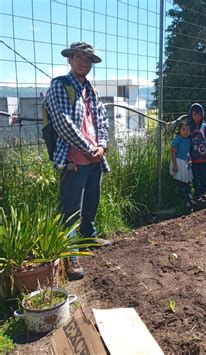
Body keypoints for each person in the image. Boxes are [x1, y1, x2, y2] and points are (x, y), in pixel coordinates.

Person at [44, 41, 110, 280]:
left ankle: (88, 239)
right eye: (80, 57)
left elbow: (102, 120)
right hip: (73, 158)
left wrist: (101, 145)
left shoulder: (91, 90)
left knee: (92, 200)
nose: (84, 62)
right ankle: (70, 255)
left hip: (94, 159)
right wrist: (89, 147)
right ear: (70, 59)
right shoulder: (59, 86)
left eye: (88, 59)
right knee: (71, 209)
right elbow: (62, 123)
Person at [188, 103, 206, 202]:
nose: (197, 117)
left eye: (199, 115)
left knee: (204, 176)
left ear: (202, 115)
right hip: (194, 159)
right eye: (194, 115)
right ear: (191, 115)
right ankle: (197, 193)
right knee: (195, 177)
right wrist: (188, 156)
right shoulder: (189, 128)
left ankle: (203, 193)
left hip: (204, 158)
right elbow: (187, 142)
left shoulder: (205, 128)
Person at [170, 120, 196, 208]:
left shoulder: (188, 140)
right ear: (179, 130)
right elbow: (173, 154)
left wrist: (190, 160)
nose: (186, 132)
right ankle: (185, 200)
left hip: (186, 163)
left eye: (188, 130)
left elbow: (188, 152)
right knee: (180, 183)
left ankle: (190, 197)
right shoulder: (176, 140)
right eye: (183, 129)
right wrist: (175, 164)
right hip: (178, 162)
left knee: (188, 182)